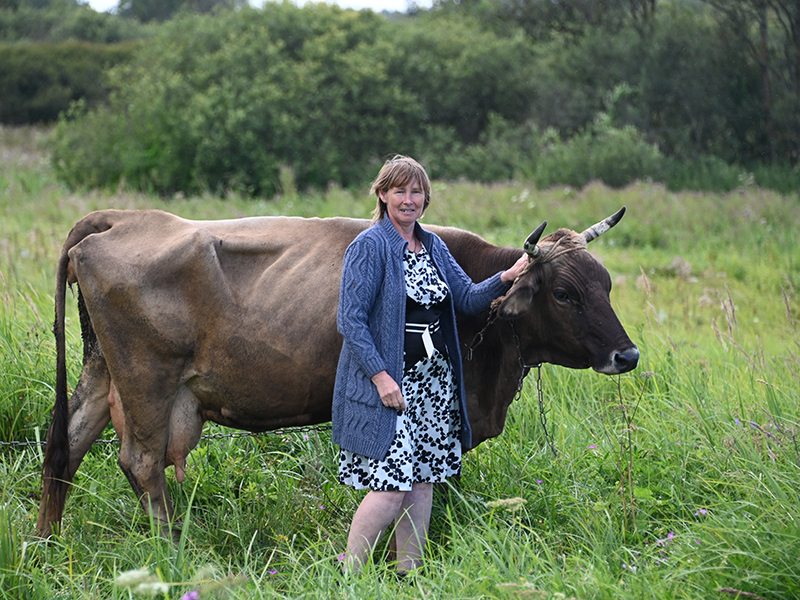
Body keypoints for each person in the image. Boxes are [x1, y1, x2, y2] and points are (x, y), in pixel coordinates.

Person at [331, 155, 527, 575]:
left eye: (416, 191)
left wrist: (507, 276)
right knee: (389, 489)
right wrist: (380, 377)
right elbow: (350, 319)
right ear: (382, 195)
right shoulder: (369, 246)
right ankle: (347, 574)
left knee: (422, 482)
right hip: (391, 386)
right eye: (399, 190)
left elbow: (469, 298)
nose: (408, 199)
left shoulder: (434, 245)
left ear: (426, 198)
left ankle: (409, 574)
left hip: (433, 388)